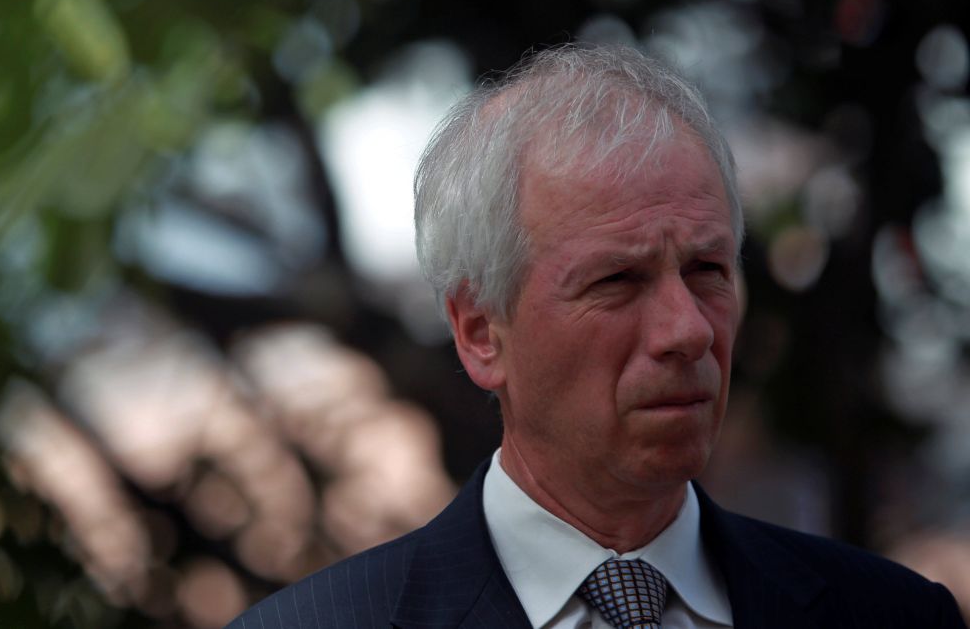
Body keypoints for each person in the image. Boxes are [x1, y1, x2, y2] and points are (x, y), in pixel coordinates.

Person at [226, 44, 967, 628]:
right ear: (480, 332)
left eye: (708, 270)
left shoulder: (893, 615)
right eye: (617, 281)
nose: (687, 330)